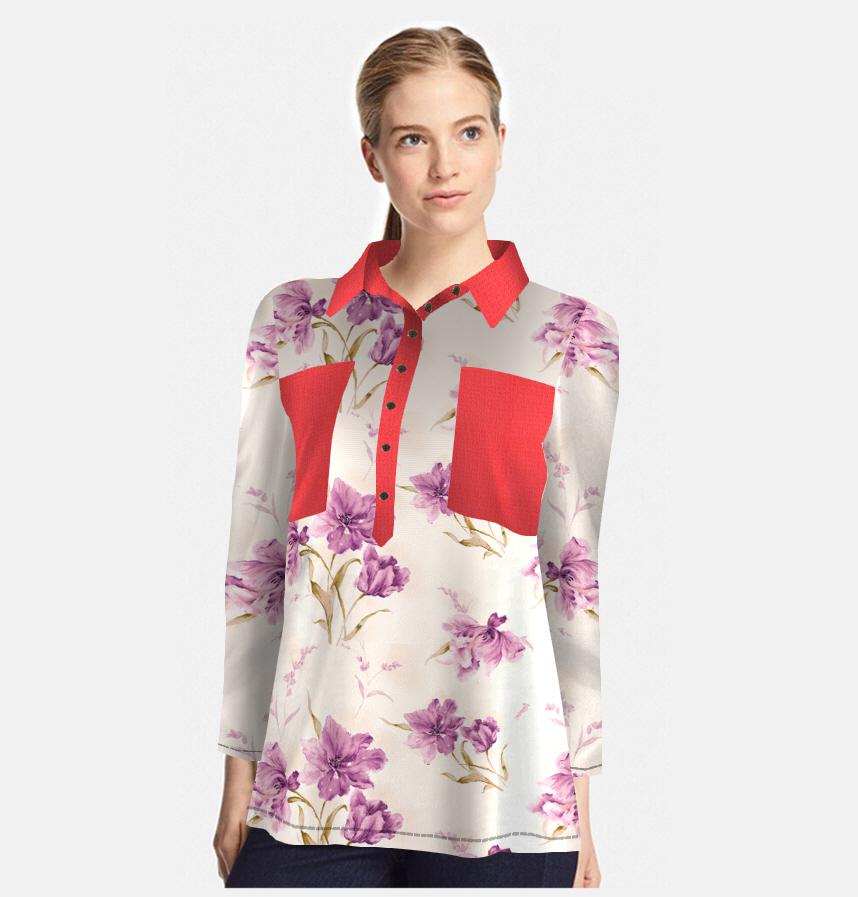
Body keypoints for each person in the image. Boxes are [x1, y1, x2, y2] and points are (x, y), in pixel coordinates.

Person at [213, 24, 619, 888]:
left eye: (468, 132)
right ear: (372, 157)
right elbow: (257, 563)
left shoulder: (569, 334)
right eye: (412, 139)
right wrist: (237, 769)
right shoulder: (294, 323)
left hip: (506, 800)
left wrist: (581, 799)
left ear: (502, 142)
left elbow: (571, 576)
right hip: (307, 795)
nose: (445, 166)